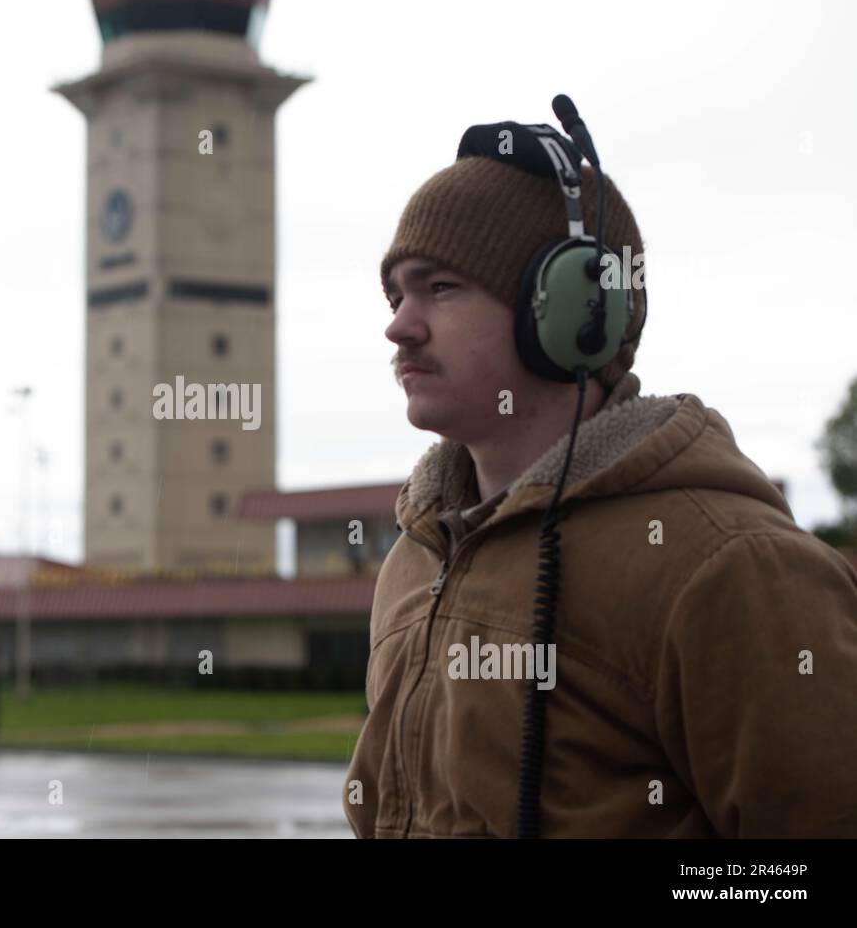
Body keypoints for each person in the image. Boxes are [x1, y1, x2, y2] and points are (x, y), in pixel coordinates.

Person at [343, 125, 857, 838]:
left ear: (578, 312)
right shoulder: (413, 559)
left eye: (439, 287)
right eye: (395, 295)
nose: (398, 327)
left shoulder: (732, 567)